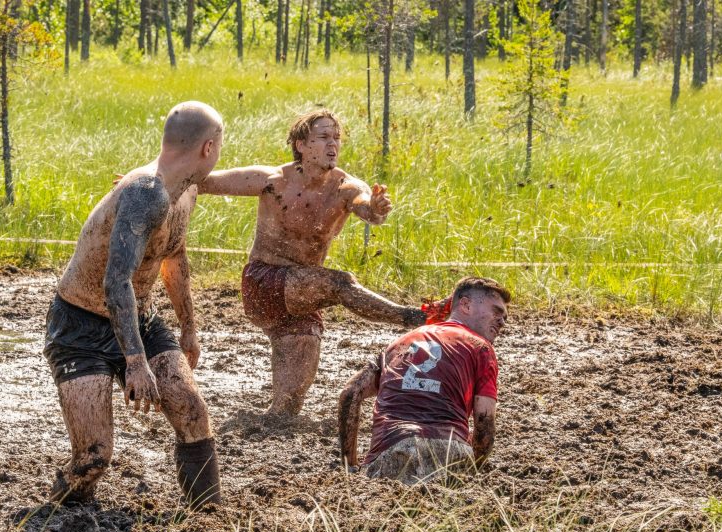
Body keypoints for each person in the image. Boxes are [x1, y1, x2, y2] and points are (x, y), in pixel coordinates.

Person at [45, 101, 224, 509]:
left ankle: (209, 514)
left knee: (192, 411)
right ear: (208, 148)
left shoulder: (186, 189)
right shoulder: (145, 193)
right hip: (81, 326)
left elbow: (174, 259)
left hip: (139, 316)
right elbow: (115, 281)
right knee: (94, 459)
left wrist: (188, 327)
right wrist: (136, 362)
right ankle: (59, 509)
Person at [198, 109, 425, 418]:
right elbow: (204, 181)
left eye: (336, 138)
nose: (333, 144)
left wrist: (377, 207)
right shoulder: (272, 180)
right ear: (301, 145)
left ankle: (263, 424)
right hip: (264, 283)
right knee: (339, 283)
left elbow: (369, 210)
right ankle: (412, 318)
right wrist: (146, 181)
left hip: (302, 301)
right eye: (323, 138)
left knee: (285, 411)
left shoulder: (346, 186)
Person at [337, 277, 509, 485]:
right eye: (497, 312)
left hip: (392, 450)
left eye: (505, 317)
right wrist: (473, 471)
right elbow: (484, 425)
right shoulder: (481, 348)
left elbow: (350, 394)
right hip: (449, 451)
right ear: (465, 304)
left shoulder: (398, 344)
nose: (502, 321)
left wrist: (350, 466)